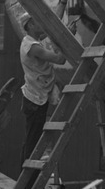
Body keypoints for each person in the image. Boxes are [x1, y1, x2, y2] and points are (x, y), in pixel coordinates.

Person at [19, 12, 68, 168]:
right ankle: (28, 184)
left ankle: (25, 184)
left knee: (31, 140)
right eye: (37, 21)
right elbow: (60, 59)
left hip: (36, 97)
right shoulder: (32, 47)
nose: (41, 24)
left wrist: (64, 0)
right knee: (33, 144)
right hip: (35, 100)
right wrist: (65, 40)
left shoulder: (32, 41)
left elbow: (50, 25)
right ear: (31, 25)